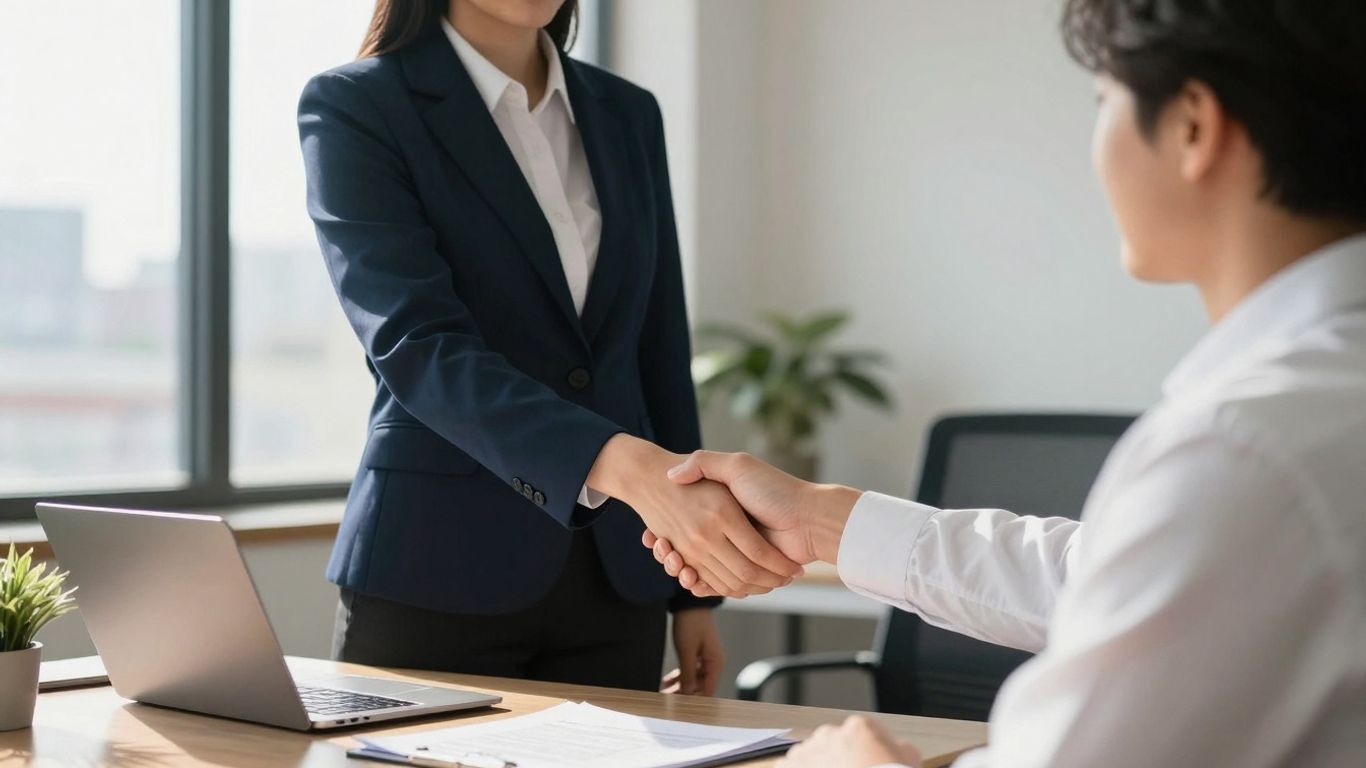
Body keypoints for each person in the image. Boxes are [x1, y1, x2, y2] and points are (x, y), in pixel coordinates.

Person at [645, 0, 1366, 764]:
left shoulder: (1245, 451)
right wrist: (826, 522)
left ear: (1193, 125)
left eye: (1103, 102)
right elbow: (1107, 578)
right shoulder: (1306, 409)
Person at [297, 0, 800, 696]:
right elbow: (417, 347)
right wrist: (623, 466)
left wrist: (692, 589)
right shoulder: (359, 104)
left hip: (619, 576)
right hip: (438, 568)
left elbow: (656, 348)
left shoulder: (627, 113)